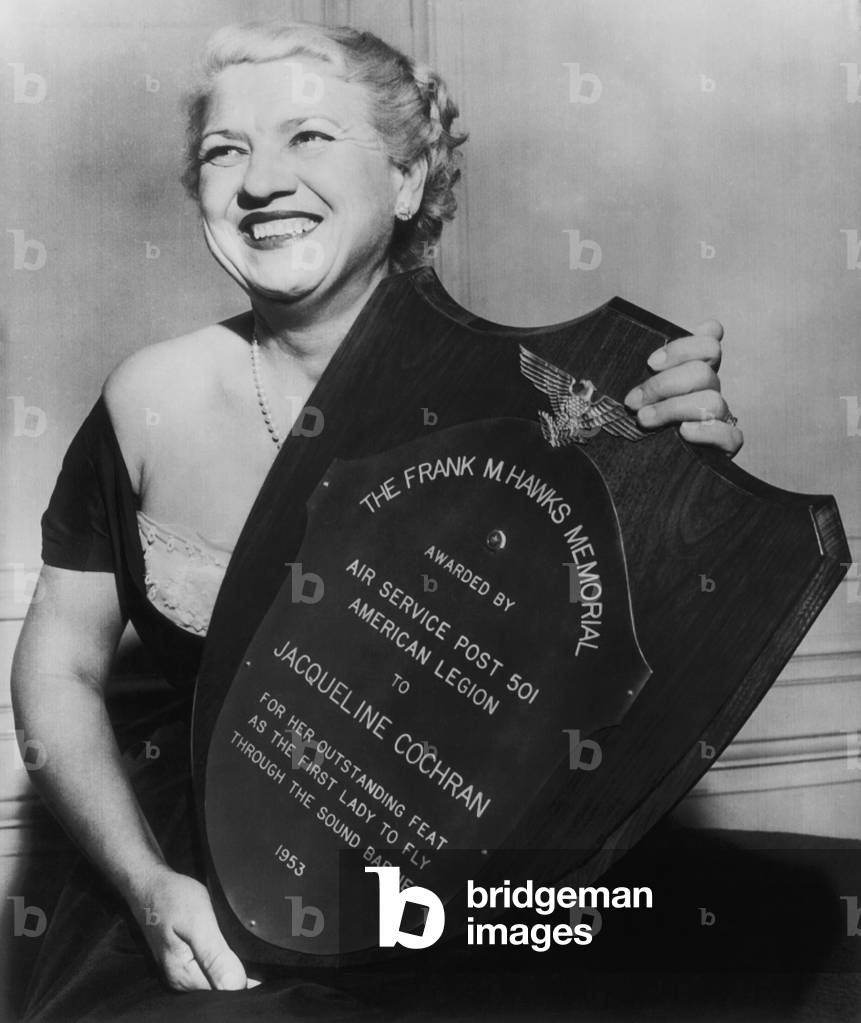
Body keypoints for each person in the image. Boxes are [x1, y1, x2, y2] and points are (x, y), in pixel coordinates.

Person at [11, 19, 743, 1021]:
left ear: (406, 181)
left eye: (308, 137)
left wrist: (684, 490)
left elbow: (627, 693)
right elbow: (60, 667)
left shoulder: (546, 410)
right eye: (225, 151)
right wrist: (145, 884)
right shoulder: (147, 397)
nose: (260, 181)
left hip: (469, 895)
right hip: (212, 873)